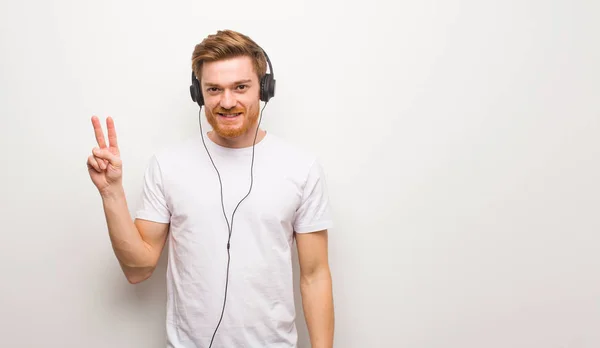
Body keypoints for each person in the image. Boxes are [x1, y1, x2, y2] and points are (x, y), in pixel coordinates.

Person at [86, 29, 335, 348]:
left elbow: (315, 276)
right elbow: (138, 269)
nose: (227, 101)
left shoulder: (301, 167)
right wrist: (111, 192)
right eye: (214, 89)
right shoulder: (167, 165)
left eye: (241, 87)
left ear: (264, 89)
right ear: (198, 94)